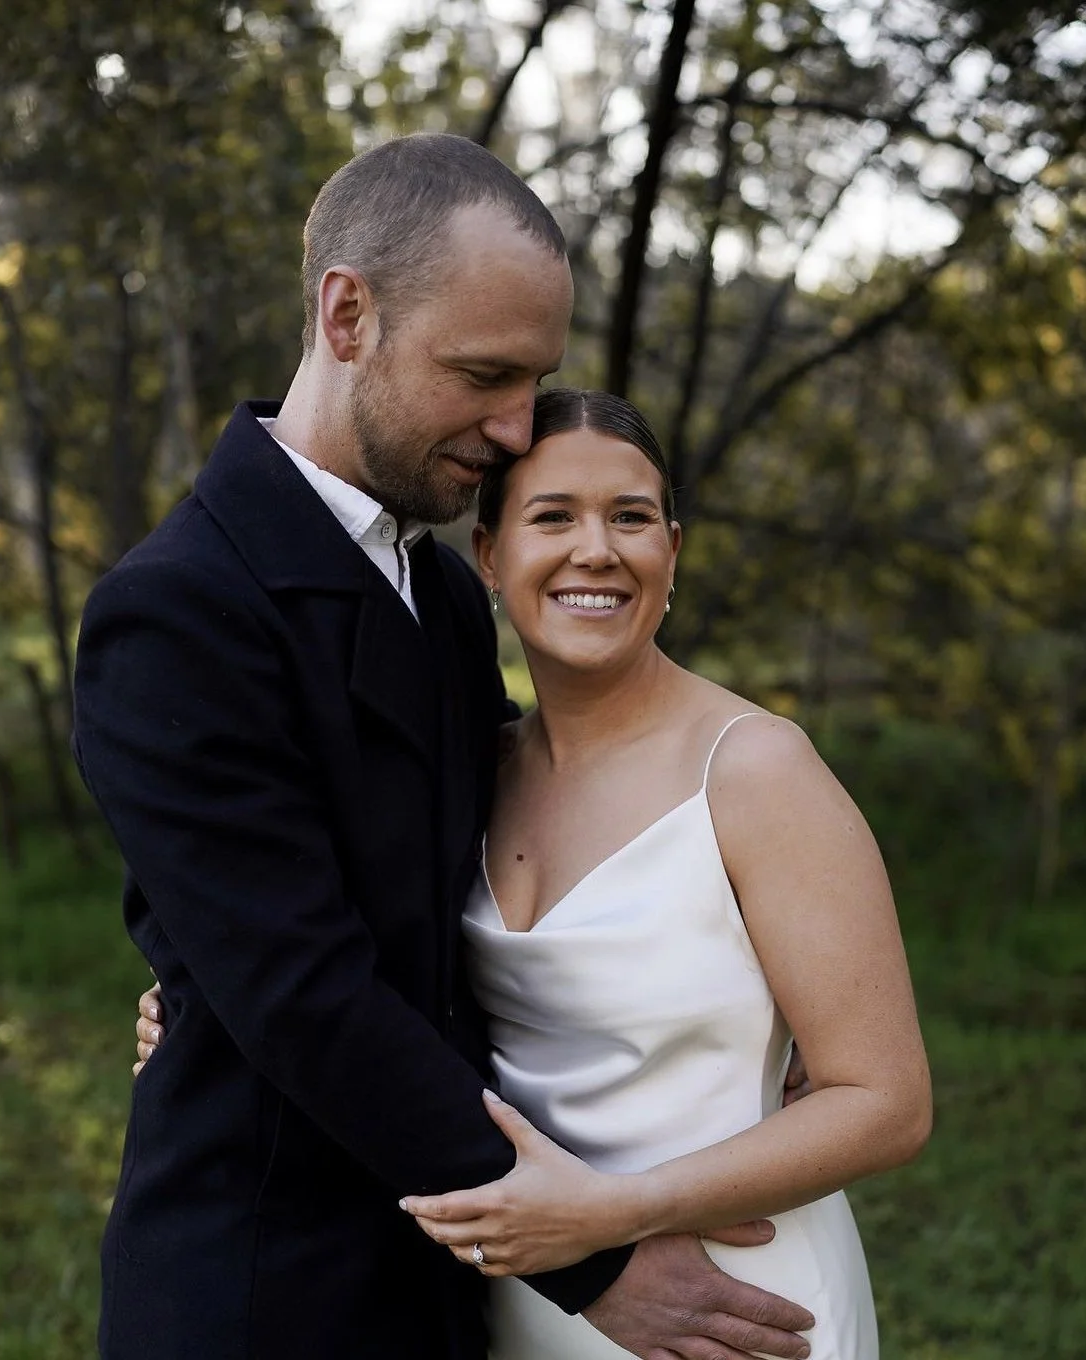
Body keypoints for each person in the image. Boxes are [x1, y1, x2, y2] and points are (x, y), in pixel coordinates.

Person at [73, 134, 816, 1360]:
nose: (520, 429)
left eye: (537, 381)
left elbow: (508, 870)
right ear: (348, 313)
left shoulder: (444, 595)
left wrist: (747, 1020)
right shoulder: (179, 609)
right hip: (271, 1288)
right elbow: (306, 997)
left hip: (456, 1278)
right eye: (483, 375)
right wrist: (597, 1259)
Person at [135, 389, 933, 1359]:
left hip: (728, 1298)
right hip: (520, 1304)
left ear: (671, 553)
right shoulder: (476, 766)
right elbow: (349, 959)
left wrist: (617, 1212)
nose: (595, 549)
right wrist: (200, 1010)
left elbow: (886, 1102)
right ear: (488, 559)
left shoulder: (758, 771)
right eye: (553, 516)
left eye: (631, 517)